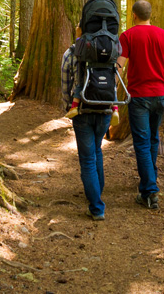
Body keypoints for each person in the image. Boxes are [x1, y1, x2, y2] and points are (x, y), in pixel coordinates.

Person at [117, 0, 164, 209]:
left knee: (142, 142)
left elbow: (119, 67)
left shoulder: (128, 35)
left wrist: (111, 91)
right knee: (152, 138)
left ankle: (149, 189)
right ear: (150, 15)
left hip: (138, 97)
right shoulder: (163, 35)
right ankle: (149, 181)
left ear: (134, 15)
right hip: (159, 96)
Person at [62, 25, 112, 220]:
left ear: (80, 30)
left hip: (82, 110)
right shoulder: (108, 50)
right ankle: (97, 190)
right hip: (105, 108)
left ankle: (97, 206)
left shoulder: (72, 52)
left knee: (88, 158)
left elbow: (66, 82)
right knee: (97, 149)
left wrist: (68, 105)